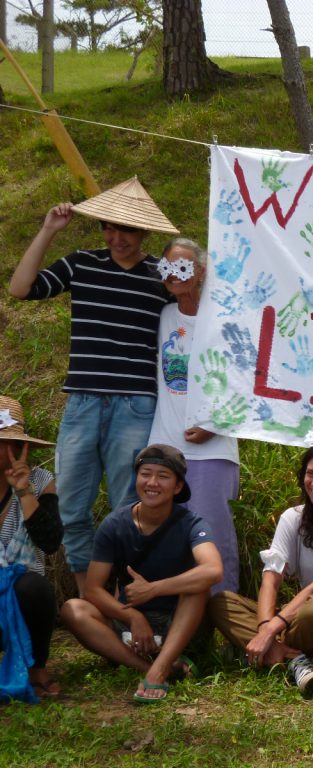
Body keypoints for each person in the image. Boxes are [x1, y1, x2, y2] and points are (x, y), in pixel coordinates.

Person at [8, 178, 178, 597]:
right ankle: (91, 597)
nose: (117, 238)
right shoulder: (82, 263)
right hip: (83, 402)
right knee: (71, 506)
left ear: (145, 232)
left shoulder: (161, 276)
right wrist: (48, 229)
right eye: (109, 227)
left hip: (136, 404)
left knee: (130, 507)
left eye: (128, 230)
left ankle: (125, 598)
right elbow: (20, 288)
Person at [209, 436, 313, 697]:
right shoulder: (293, 517)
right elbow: (271, 578)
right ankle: (293, 658)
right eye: (310, 473)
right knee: (221, 601)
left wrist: (271, 630)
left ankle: (261, 651)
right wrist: (265, 626)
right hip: (299, 615)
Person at [59, 444, 222, 703]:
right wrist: (133, 617)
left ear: (178, 487)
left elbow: (213, 570)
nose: (152, 483)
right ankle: (149, 666)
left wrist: (154, 589)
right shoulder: (114, 525)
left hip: (178, 625)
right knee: (73, 609)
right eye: (146, 474)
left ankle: (160, 668)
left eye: (163, 476)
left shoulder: (192, 523)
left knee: (198, 586)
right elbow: (92, 590)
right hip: (131, 626)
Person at [148, 238, 240, 594]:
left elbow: (248, 382)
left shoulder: (227, 319)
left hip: (211, 451)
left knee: (213, 537)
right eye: (167, 267)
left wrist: (214, 424)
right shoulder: (163, 316)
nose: (174, 274)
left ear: (201, 270)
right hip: (163, 447)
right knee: (164, 537)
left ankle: (223, 614)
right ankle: (168, 615)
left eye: (183, 266)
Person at [0, 395, 63, 701]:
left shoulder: (40, 480)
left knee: (34, 587)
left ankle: (37, 667)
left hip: (24, 595)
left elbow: (50, 542)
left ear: (17, 447)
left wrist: (24, 492)